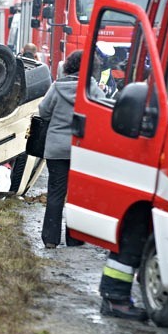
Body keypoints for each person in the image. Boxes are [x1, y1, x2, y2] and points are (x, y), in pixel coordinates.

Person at [39, 50, 104, 249]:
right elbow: (103, 112)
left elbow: (43, 110)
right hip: (81, 149)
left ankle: (50, 239)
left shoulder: (57, 87)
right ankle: (74, 238)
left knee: (56, 193)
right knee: (77, 195)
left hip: (57, 149)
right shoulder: (92, 89)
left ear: (69, 65)